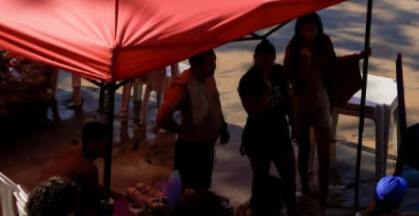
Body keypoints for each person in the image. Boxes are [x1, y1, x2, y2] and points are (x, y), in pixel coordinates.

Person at [284, 12, 368, 208]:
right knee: (304, 149)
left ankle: (322, 194)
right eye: (304, 30)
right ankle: (304, 186)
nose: (308, 34)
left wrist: (357, 57)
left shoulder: (324, 43)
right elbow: (291, 77)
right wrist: (304, 62)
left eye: (311, 30)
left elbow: (333, 64)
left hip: (321, 101)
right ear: (299, 31)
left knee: (324, 152)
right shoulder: (293, 48)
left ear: (317, 29)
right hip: (301, 104)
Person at [156, 50, 230, 203]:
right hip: (190, 150)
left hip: (206, 148)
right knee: (188, 194)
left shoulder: (209, 78)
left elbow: (215, 103)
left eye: (214, 61)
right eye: (210, 63)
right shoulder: (183, 84)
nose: (214, 66)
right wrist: (182, 130)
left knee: (203, 188)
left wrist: (222, 126)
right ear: (197, 65)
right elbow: (162, 117)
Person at [237, 40, 298, 216]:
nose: (266, 66)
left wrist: (294, 124)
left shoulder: (279, 72)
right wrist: (266, 89)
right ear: (255, 59)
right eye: (262, 61)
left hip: (280, 133)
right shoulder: (247, 80)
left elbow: (288, 98)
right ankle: (256, 209)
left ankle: (292, 209)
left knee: (289, 176)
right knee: (260, 178)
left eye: (270, 61)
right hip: (257, 136)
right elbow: (253, 111)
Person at [44, 121, 109, 214]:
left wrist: (117, 195)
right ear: (92, 145)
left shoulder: (75, 150)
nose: (109, 146)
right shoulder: (88, 168)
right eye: (104, 142)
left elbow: (93, 188)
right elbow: (91, 201)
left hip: (41, 199)